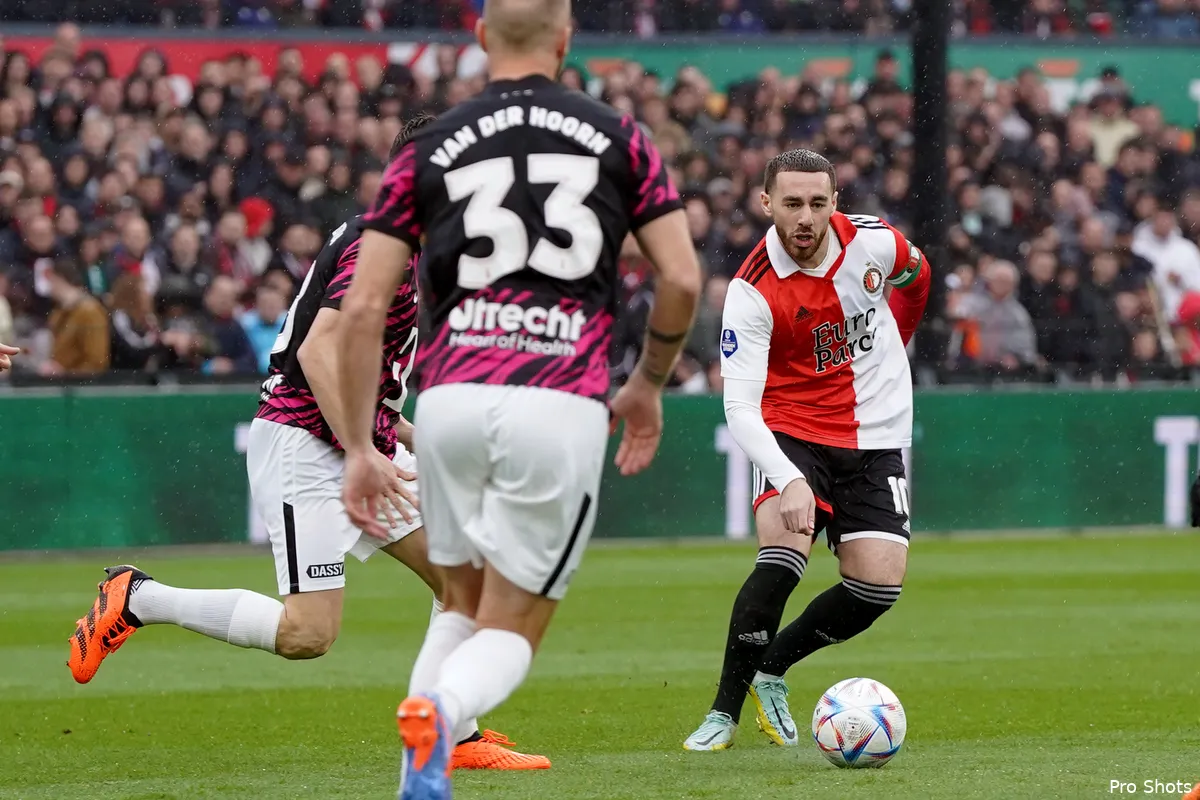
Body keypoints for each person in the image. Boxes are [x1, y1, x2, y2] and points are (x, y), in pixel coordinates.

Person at [65, 115, 550, 772]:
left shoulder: (402, 244)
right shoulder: (379, 247)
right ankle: (138, 598)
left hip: (347, 441)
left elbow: (362, 382)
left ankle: (451, 734)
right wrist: (360, 452)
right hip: (307, 445)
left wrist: (406, 438)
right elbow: (318, 352)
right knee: (308, 634)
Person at [336, 0, 703, 795]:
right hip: (558, 396)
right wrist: (645, 384)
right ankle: (442, 709)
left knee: (460, 601)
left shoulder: (428, 146)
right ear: (566, 42)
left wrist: (363, 448)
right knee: (516, 626)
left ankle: (420, 771)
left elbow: (363, 308)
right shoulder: (618, 136)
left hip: (450, 397)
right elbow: (680, 277)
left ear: (478, 39)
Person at [682, 149, 930, 752]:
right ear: (765, 203)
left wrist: (897, 339)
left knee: (877, 588)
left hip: (876, 433)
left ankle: (773, 669)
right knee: (783, 555)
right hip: (792, 431)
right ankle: (724, 712)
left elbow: (917, 278)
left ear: (834, 204)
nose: (805, 217)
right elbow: (738, 407)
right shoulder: (751, 291)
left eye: (817, 203)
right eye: (791, 203)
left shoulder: (876, 244)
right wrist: (788, 478)